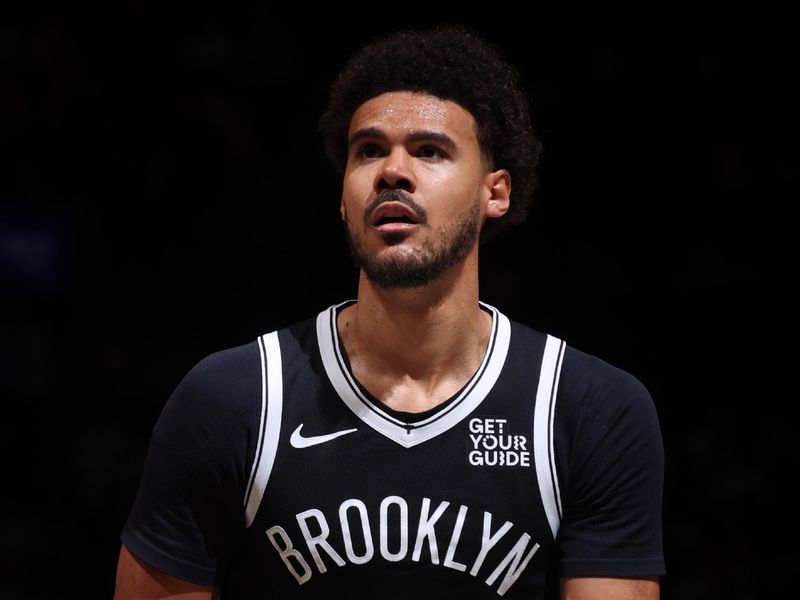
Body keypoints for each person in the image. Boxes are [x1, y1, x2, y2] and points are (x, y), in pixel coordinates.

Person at [113, 24, 665, 599]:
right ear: (343, 195)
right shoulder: (231, 399)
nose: (391, 172)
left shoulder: (591, 409)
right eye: (369, 151)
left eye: (429, 151)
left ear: (494, 192)